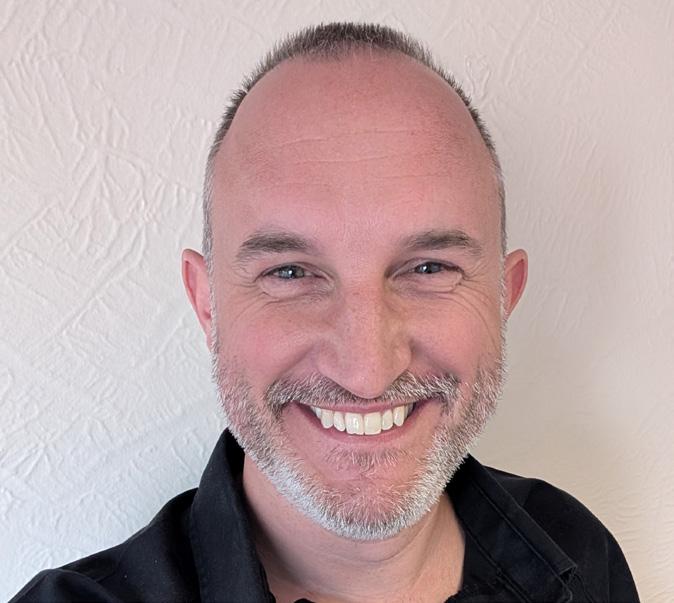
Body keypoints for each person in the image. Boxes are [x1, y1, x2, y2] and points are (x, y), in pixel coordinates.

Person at [12, 22, 639, 603]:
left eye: (428, 268)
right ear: (207, 304)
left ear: (504, 296)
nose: (366, 370)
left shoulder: (580, 552)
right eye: (290, 273)